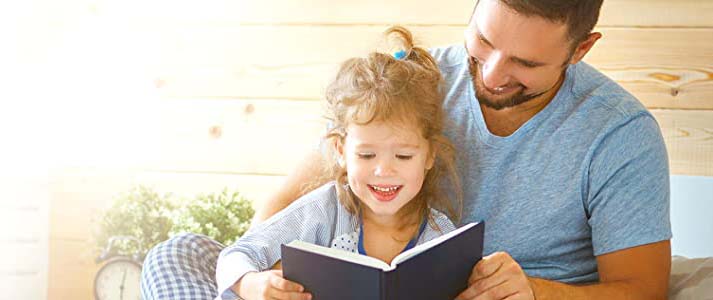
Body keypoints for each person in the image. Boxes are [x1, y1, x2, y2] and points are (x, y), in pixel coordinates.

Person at [142, 0, 672, 299]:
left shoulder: (619, 133)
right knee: (177, 253)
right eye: (484, 42)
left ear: (581, 49)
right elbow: (276, 215)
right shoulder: (412, 79)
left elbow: (641, 291)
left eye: (525, 65)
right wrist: (265, 283)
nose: (490, 74)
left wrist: (533, 293)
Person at [141, 26, 464, 300]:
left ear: (429, 155)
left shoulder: (439, 236)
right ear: (340, 150)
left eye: (404, 156)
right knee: (174, 254)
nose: (383, 170)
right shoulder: (323, 209)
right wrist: (253, 284)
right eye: (366, 155)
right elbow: (237, 255)